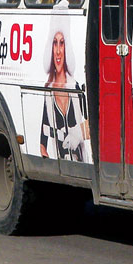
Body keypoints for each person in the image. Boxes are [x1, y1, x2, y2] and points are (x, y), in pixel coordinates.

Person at [38, 25, 90, 162]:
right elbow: (43, 134)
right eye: (55, 43)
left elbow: (93, 124)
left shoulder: (75, 87)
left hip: (81, 162)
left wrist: (76, 134)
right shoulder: (48, 91)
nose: (58, 51)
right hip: (60, 160)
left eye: (62, 43)